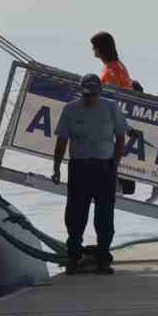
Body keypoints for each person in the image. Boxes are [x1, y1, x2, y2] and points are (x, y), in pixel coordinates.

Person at [50, 73, 128, 275]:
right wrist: (56, 167)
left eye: (93, 94)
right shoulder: (70, 109)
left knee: (104, 215)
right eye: (85, 94)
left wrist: (115, 164)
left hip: (104, 168)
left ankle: (103, 259)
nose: (89, 98)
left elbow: (120, 137)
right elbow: (62, 140)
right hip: (79, 167)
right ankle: (74, 257)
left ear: (100, 92)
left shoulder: (111, 108)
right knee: (75, 215)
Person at [90, 31, 140, 197]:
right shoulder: (119, 66)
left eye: (94, 47)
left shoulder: (111, 71)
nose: (93, 50)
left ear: (101, 48)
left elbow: (110, 99)